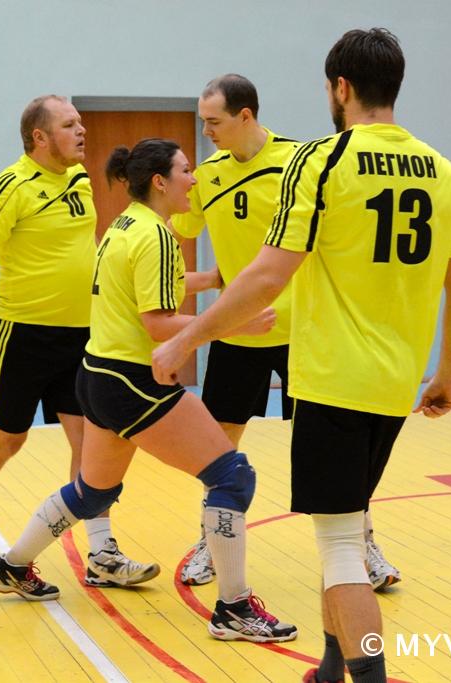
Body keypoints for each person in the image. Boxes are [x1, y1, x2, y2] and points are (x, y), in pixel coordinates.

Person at [153, 29, 451, 682]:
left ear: (341, 88)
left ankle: (366, 673)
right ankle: (330, 666)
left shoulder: (319, 161)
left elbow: (268, 275)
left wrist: (187, 337)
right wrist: (446, 374)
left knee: (340, 550)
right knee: (344, 524)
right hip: (396, 385)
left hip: (332, 379)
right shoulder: (444, 170)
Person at [0, 137, 298, 644]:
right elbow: (157, 323)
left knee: (93, 492)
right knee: (231, 477)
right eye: (186, 170)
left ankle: (11, 565)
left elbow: (146, 287)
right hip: (133, 382)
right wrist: (235, 324)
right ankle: (234, 608)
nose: (194, 179)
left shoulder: (125, 225)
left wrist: (213, 280)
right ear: (160, 181)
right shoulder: (156, 236)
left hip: (96, 375)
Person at [172, 74, 401, 591]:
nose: (206, 131)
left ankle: (362, 545)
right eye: (203, 121)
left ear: (245, 115)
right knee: (218, 448)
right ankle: (210, 542)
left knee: (336, 450)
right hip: (237, 331)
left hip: (306, 332)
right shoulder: (208, 176)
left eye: (213, 121)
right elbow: (178, 225)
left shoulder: (301, 162)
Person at [0, 95, 157, 587]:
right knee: (7, 440)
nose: (82, 131)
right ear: (39, 137)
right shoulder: (10, 186)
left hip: (81, 336)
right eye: (69, 124)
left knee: (92, 442)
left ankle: (101, 553)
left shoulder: (79, 177)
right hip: (20, 335)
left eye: (80, 122)